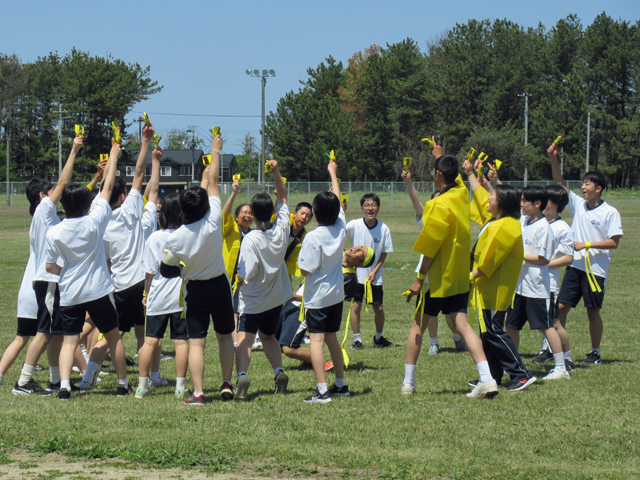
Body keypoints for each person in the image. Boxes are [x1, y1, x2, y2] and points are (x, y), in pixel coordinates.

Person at [403, 143, 498, 398]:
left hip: (437, 279)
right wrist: (440, 156)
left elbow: (431, 248)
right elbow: (454, 177)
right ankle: (487, 378)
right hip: (459, 276)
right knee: (463, 324)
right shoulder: (460, 194)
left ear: (436, 175)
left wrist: (418, 278)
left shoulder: (437, 204)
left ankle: (408, 383)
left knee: (417, 326)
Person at [44, 137, 130, 399]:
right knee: (113, 337)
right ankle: (123, 384)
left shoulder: (55, 231)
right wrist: (113, 156)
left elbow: (50, 266)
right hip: (99, 290)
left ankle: (65, 386)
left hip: (70, 291)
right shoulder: (94, 222)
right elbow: (107, 190)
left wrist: (67, 271)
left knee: (70, 340)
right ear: (86, 204)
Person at [78, 122, 160, 389]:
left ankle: (150, 377)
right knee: (115, 335)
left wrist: (105, 173)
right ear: (124, 196)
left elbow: (108, 261)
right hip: (135, 283)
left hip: (121, 282)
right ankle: (91, 376)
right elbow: (139, 174)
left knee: (141, 331)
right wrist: (145, 141)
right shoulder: (130, 211)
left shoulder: (100, 221)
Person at [161, 133, 235, 405]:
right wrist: (216, 151)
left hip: (195, 289)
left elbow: (166, 270)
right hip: (219, 286)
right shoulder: (213, 220)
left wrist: (184, 271)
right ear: (205, 207)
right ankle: (227, 383)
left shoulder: (175, 237)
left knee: (197, 342)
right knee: (225, 337)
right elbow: (214, 182)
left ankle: (199, 393)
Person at [11, 133, 83, 395]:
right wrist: (73, 151)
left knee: (54, 333)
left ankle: (55, 380)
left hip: (51, 280)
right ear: (43, 195)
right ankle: (23, 381)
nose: (58, 192)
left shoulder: (48, 217)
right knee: (43, 333)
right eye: (52, 190)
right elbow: (65, 181)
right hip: (48, 280)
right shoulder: (43, 210)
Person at [464, 159, 537, 391]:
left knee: (495, 331)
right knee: (488, 333)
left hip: (496, 290)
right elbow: (478, 194)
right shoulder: (497, 221)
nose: (488, 198)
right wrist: (470, 174)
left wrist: (466, 278)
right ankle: (493, 376)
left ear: (502, 202)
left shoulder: (506, 226)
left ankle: (521, 374)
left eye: (492, 195)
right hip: (488, 289)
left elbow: (487, 265)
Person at [548, 143, 623, 365]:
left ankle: (595, 351)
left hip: (595, 270)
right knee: (560, 308)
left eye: (587, 183)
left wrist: (587, 244)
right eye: (582, 183)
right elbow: (560, 185)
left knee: (592, 311)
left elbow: (614, 242)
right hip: (574, 266)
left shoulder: (610, 212)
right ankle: (555, 349)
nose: (582, 187)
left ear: (598, 188)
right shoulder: (579, 205)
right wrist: (554, 159)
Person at [234, 160, 292, 401]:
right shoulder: (281, 230)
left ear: (252, 215)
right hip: (275, 298)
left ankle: (242, 376)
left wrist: (236, 279)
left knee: (244, 340)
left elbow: (245, 273)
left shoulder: (250, 239)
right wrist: (276, 171)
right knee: (269, 337)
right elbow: (285, 198)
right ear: (271, 212)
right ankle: (278, 371)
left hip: (252, 299)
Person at [505, 186, 570, 380]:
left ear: (537, 204)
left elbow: (543, 259)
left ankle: (561, 368)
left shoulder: (544, 227)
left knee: (545, 326)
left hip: (537, 287)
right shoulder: (524, 221)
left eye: (525, 201)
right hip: (519, 286)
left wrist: (520, 257)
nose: (521, 204)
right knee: (511, 325)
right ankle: (513, 364)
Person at [298, 158, 349, 403]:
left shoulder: (313, 238)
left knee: (316, 342)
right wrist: (332, 173)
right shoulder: (340, 227)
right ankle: (340, 384)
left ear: (315, 213)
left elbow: (305, 271)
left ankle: (321, 390)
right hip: (336, 296)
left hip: (317, 298)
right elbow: (338, 202)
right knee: (332, 339)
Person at [401, 175, 467, 354]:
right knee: (427, 315)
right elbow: (415, 200)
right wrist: (408, 182)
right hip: (428, 273)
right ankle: (434, 342)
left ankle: (458, 338)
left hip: (448, 271)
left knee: (451, 314)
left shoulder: (452, 216)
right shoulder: (426, 217)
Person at [278, 247, 371, 369]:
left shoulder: (348, 278)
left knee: (289, 348)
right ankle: (309, 360)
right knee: (276, 344)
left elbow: (322, 299)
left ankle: (324, 362)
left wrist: (294, 297)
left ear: (360, 264)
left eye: (360, 252)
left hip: (303, 307)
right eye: (359, 246)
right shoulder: (335, 255)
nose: (356, 248)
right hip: (292, 302)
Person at [136, 193, 189, 399]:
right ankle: (180, 386)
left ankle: (142, 386)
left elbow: (149, 272)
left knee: (150, 342)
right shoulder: (186, 235)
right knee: (181, 342)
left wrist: (146, 294)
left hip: (157, 296)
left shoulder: (155, 237)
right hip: (180, 297)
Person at [533, 185, 575, 371]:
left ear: (556, 204)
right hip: (530, 283)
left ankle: (567, 359)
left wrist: (543, 263)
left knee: (553, 324)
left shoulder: (562, 228)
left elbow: (568, 258)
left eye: (546, 201)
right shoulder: (536, 222)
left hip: (547, 284)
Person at [346, 194, 394, 349]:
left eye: (373, 205)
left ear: (378, 208)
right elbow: (340, 234)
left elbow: (384, 252)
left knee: (378, 308)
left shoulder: (384, 228)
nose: (370, 208)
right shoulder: (354, 225)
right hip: (358, 276)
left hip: (375, 276)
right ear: (362, 208)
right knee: (356, 306)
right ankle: (357, 340)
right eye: (366, 205)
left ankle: (378, 339)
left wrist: (375, 271)